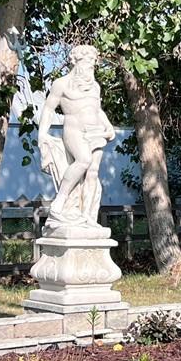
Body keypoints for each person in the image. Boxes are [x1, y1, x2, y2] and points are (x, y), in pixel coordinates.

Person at [37, 45, 114, 234]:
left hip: (96, 132)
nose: (90, 69)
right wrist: (42, 134)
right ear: (76, 63)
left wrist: (108, 125)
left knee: (93, 172)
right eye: (86, 64)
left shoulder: (95, 86)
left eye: (92, 65)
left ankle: (88, 216)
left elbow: (97, 109)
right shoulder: (61, 83)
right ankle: (60, 200)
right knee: (83, 160)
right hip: (74, 130)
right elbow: (48, 109)